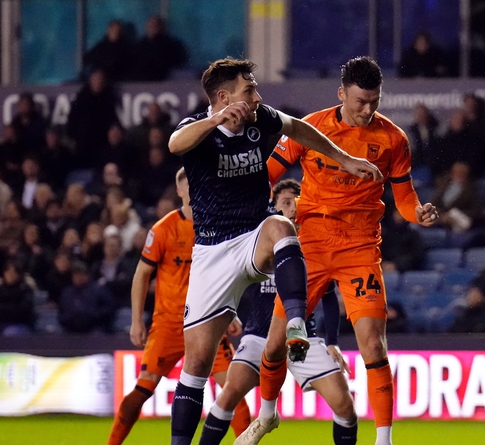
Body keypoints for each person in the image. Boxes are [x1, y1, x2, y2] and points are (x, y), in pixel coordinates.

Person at [167, 57, 380, 445]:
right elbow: (174, 144)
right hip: (212, 252)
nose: (258, 96)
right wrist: (215, 120)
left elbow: (299, 128)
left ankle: (295, 323)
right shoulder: (196, 130)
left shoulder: (259, 118)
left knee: (281, 227)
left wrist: (345, 158)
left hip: (254, 235)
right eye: (249, 90)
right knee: (196, 366)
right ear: (223, 96)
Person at [241, 56, 437, 445]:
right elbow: (267, 175)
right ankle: (266, 415)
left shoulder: (394, 140)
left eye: (375, 101)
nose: (368, 109)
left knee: (372, 344)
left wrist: (419, 212)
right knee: (276, 341)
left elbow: (404, 198)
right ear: (341, 93)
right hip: (310, 244)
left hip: (360, 248)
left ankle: (384, 439)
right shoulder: (310, 129)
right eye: (361, 101)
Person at [199, 179, 357, 445]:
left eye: (297, 201)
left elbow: (328, 294)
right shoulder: (258, 240)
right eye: (286, 202)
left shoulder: (313, 244)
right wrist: (230, 312)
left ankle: (268, 416)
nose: (293, 208)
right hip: (258, 337)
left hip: (302, 339)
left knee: (345, 407)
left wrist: (332, 342)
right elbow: (231, 278)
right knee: (228, 396)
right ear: (273, 206)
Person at [107, 167, 251, 444]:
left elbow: (229, 273)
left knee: (233, 390)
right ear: (180, 190)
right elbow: (141, 275)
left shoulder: (219, 226)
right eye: (189, 185)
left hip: (209, 322)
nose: (195, 189)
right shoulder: (164, 229)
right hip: (170, 323)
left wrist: (229, 310)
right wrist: (137, 320)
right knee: (143, 388)